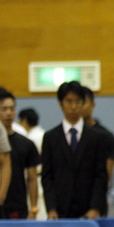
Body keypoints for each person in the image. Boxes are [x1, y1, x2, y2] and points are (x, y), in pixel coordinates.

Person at [41, 82, 108, 219]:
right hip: (60, 209)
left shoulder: (96, 137)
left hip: (88, 209)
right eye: (69, 101)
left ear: (83, 103)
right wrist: (51, 208)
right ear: (61, 103)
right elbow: (47, 177)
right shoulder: (50, 137)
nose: (73, 106)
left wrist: (95, 207)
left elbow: (101, 175)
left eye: (78, 101)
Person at [0, 89, 39, 219]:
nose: (8, 113)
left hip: (17, 205)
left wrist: (33, 209)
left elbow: (32, 178)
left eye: (11, 108)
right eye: (4, 109)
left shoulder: (26, 144)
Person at [81, 86, 114, 216]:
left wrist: (95, 205)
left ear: (92, 104)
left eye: (84, 101)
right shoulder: (64, 136)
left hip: (96, 203)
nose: (80, 106)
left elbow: (106, 175)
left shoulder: (105, 136)